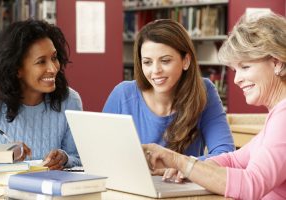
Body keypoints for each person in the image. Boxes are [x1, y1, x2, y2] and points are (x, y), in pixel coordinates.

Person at [143, 12, 286, 200]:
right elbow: (233, 159)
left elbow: (252, 184)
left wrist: (180, 162)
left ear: (276, 63)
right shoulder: (278, 114)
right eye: (235, 70)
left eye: (245, 67)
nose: (236, 79)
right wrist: (189, 168)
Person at [103, 19, 234, 162]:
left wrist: (182, 166)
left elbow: (225, 154)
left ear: (186, 61)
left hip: (184, 183)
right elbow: (100, 151)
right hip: (129, 184)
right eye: (147, 62)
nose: (155, 70)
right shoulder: (122, 95)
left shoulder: (204, 91)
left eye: (165, 61)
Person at [0, 19, 82, 170]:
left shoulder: (70, 101)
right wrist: (5, 154)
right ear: (17, 69)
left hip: (51, 191)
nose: (52, 68)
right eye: (41, 62)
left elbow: (80, 158)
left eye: (54, 58)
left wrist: (64, 159)